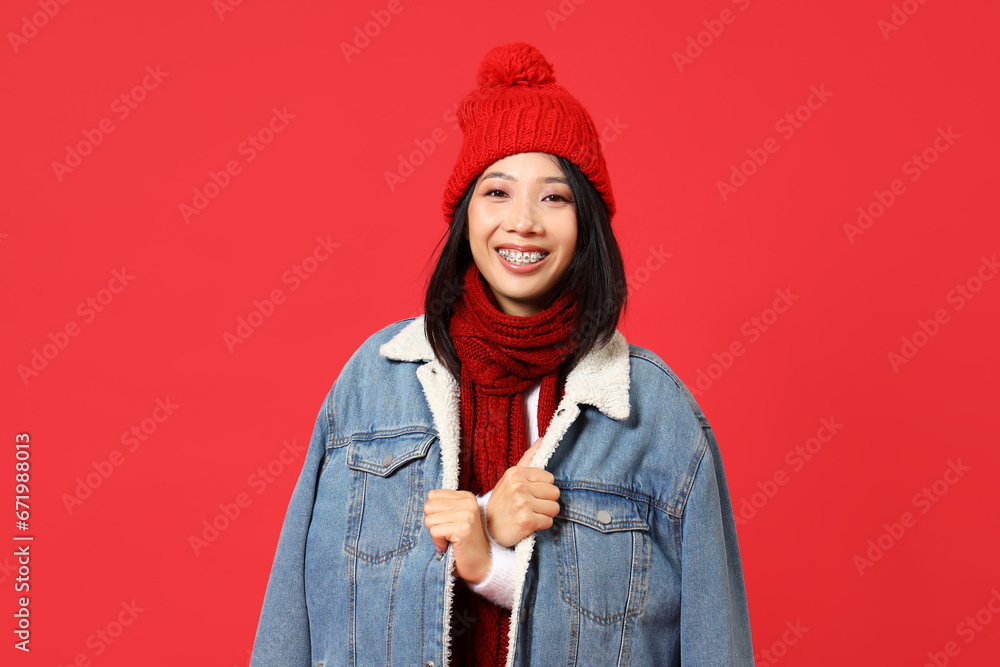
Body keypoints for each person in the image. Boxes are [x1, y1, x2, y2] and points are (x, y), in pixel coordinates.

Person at [249, 42, 752, 667]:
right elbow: (295, 620)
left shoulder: (656, 417)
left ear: (586, 221)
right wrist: (487, 521)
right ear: (465, 215)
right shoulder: (371, 385)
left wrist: (488, 556)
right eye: (497, 193)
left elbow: (713, 640)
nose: (523, 222)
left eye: (554, 197)